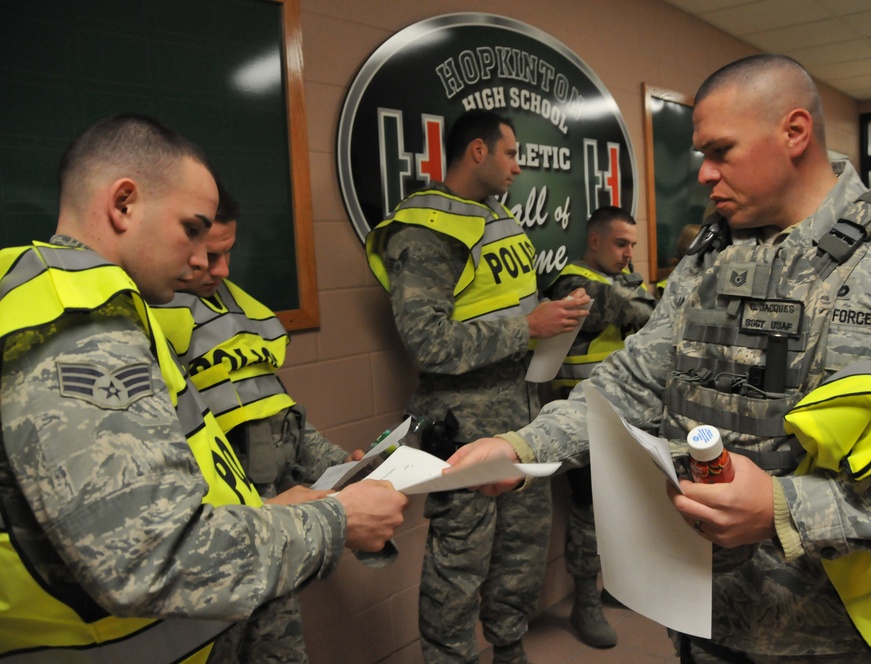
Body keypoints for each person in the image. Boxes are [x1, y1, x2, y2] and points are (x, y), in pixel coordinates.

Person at [446, 55, 871, 663]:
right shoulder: (714, 252)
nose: (704, 175)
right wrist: (524, 446)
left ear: (794, 132)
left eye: (721, 151)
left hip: (832, 637)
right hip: (702, 616)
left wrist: (788, 509)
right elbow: (634, 382)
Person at [0, 114, 409, 660]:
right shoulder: (79, 318)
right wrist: (339, 521)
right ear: (123, 204)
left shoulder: (96, 303)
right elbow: (148, 556)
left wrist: (269, 512)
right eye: (192, 229)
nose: (202, 260)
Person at [365, 109, 590, 664]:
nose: (519, 166)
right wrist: (527, 328)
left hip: (520, 413)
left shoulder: (496, 219)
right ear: (478, 152)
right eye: (511, 153)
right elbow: (428, 342)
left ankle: (510, 647)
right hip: (461, 424)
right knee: (459, 565)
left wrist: (553, 315)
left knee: (521, 552)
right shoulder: (425, 229)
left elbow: (504, 305)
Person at [151, 185, 370, 662]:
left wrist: (342, 465)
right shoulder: (134, 326)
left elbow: (270, 411)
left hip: (275, 528)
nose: (222, 271)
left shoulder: (236, 309)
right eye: (210, 256)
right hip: (206, 544)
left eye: (228, 253)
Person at [545, 205, 655, 649]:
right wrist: (646, 299)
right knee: (589, 512)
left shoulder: (621, 279)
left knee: (624, 506)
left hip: (625, 414)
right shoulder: (574, 284)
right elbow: (648, 315)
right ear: (594, 241)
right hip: (583, 418)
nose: (629, 254)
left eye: (632, 245)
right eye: (620, 244)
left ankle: (617, 585)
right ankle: (585, 602)